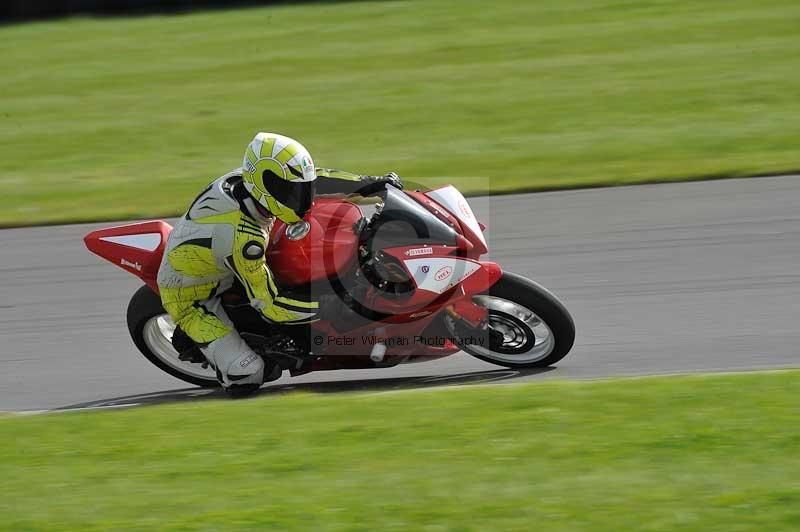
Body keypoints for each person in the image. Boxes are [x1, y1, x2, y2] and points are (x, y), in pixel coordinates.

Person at [156, 132, 402, 395]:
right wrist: (330, 306)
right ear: (266, 185)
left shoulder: (249, 183)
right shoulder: (244, 239)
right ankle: (228, 366)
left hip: (219, 253)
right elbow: (269, 303)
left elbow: (319, 177)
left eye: (302, 189)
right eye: (294, 192)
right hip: (193, 296)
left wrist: (372, 184)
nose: (304, 197)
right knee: (249, 375)